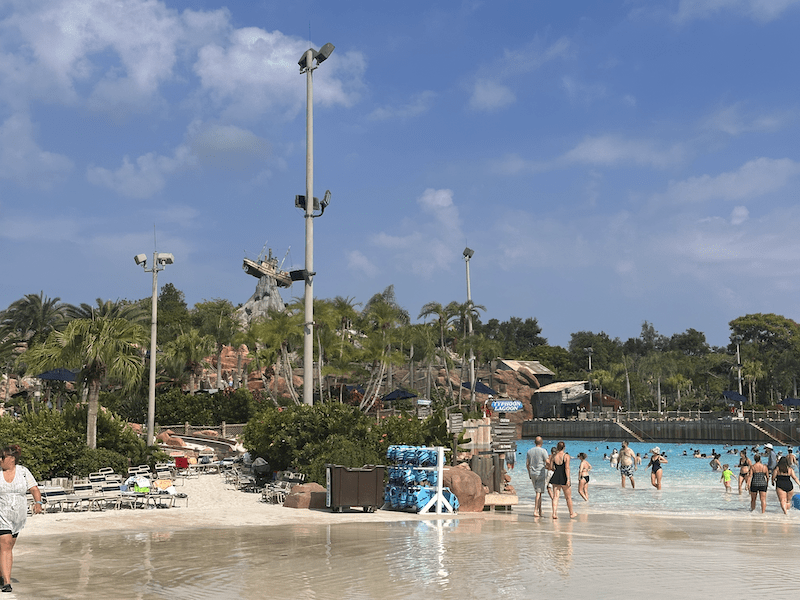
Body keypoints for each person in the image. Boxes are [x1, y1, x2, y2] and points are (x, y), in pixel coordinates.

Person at [0, 444, 42, 593]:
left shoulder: (23, 472)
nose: (0, 459)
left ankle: (2, 573)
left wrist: (38, 503)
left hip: (18, 516)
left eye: (2, 457)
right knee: (5, 544)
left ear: (11, 459)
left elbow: (34, 489)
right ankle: (7, 582)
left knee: (8, 547)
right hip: (2, 514)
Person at [548, 441, 577, 519]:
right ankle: (571, 513)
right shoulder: (566, 456)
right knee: (568, 497)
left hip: (556, 476)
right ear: (564, 447)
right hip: (564, 477)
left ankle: (554, 513)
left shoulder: (553, 456)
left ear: (557, 447)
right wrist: (568, 479)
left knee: (555, 496)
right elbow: (567, 468)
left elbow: (551, 467)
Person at [525, 437, 550, 517]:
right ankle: (535, 510)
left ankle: (540, 510)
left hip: (532, 473)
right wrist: (548, 467)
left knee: (538, 492)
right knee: (538, 493)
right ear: (541, 442)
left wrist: (529, 473)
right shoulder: (543, 451)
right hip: (540, 473)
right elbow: (547, 462)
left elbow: (527, 464)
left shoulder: (529, 451)